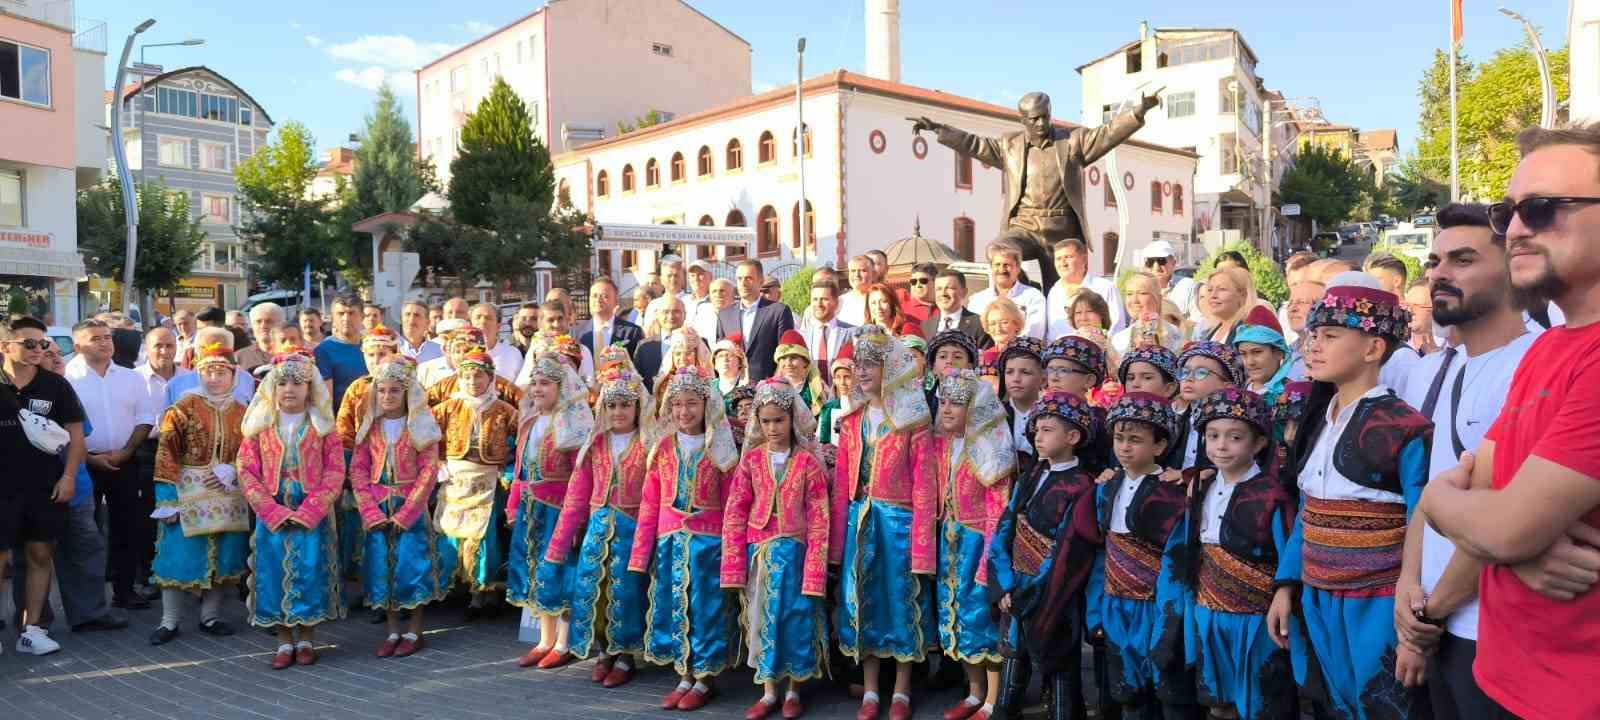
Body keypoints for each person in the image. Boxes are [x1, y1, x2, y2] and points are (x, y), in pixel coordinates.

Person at [1417, 125, 1600, 720]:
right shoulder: (1551, 351)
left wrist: (1500, 531)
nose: (1517, 228)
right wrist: (1512, 540)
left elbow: (1495, 522)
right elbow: (1488, 509)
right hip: (1501, 676)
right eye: (1510, 212)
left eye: (1543, 209)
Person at [1394, 202, 1536, 718]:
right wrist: (1408, 589)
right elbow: (1433, 498)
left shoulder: (1533, 366)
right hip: (1441, 627)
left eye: (1462, 259)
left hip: (1491, 634)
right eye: (1434, 262)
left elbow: (1501, 517)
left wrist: (1427, 616)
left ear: (1513, 266)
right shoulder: (1452, 369)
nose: (1438, 275)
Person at [1267, 279, 1431, 720]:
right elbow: (1309, 509)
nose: (1313, 346)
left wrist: (1414, 627)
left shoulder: (1405, 428)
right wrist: (1287, 584)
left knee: (1381, 705)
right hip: (1318, 597)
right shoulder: (1320, 419)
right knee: (1332, 704)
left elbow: (1425, 519)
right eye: (1312, 336)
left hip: (1378, 603)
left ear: (1373, 348)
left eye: (1331, 336)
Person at [829, 325, 936, 720]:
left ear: (891, 367)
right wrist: (838, 542)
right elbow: (843, 484)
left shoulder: (913, 421)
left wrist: (923, 545)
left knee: (902, 601)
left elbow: (926, 485)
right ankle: (871, 689)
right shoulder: (852, 420)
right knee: (863, 602)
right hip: (861, 521)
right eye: (858, 364)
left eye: (871, 364)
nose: (862, 371)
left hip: (899, 524)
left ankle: (903, 689)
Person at [629, 366, 741, 711]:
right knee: (675, 606)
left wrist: (732, 553)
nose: (683, 412)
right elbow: (650, 502)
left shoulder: (721, 451)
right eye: (676, 404)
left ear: (706, 405)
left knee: (706, 610)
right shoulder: (662, 448)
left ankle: (705, 677)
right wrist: (640, 553)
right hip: (670, 543)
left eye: (691, 403)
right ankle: (684, 673)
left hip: (709, 546)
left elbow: (733, 506)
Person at [721, 377, 832, 720]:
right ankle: (769, 689)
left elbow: (819, 517)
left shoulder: (808, 463)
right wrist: (733, 562)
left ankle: (794, 689)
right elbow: (736, 510)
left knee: (795, 619)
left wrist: (815, 568)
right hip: (759, 555)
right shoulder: (751, 460)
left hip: (796, 557)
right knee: (760, 620)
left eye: (778, 420)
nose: (772, 428)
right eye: (765, 421)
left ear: (792, 420)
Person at [987, 391, 1102, 720]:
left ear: (1073, 436)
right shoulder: (1030, 476)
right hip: (1016, 585)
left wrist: (1034, 590)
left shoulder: (1082, 486)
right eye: (1036, 429)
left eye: (1048, 429)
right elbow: (1005, 527)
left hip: (1054, 591)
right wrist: (1005, 585)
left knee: (1060, 664)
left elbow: (1069, 549)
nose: (1038, 436)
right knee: (1013, 659)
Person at [1183, 388, 1296, 720]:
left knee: (1262, 701)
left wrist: (1283, 595)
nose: (1221, 445)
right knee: (1218, 701)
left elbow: (1287, 553)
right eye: (1213, 435)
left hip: (1257, 619)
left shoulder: (1272, 495)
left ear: (1259, 443)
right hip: (1208, 612)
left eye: (1235, 437)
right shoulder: (1200, 488)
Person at [546, 363, 655, 689]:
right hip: (597, 532)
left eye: (625, 404)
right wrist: (558, 545)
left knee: (628, 592)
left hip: (633, 532)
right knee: (595, 592)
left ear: (638, 406)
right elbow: (576, 497)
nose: (618, 411)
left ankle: (626, 655)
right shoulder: (594, 445)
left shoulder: (649, 445)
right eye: (611, 405)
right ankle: (604, 650)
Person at [237, 349, 348, 669]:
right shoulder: (259, 426)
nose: (289, 389)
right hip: (273, 512)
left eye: (297, 383)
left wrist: (311, 509)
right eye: (283, 383)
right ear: (272, 387)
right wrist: (270, 510)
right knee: (273, 574)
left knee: (311, 571)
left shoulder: (323, 426)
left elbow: (334, 470)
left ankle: (307, 639)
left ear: (310, 387)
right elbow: (246, 469)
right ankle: (285, 640)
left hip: (311, 511)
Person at [1087, 392, 1192, 718]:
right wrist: (1096, 609)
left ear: (1159, 446)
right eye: (1119, 438)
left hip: (1155, 605)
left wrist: (1170, 615)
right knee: (1128, 689)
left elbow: (1177, 560)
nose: (1125, 447)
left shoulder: (1173, 492)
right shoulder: (1106, 488)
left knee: (1165, 683)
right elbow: (1100, 552)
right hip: (1116, 603)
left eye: (1135, 440)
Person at [147, 342, 252, 645]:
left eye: (221, 371)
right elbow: (166, 453)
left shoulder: (245, 411)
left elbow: (252, 452)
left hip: (228, 494)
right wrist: (166, 500)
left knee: (224, 555)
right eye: (207, 371)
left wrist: (234, 469)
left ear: (233, 374)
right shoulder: (181, 408)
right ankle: (169, 621)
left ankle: (211, 615)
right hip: (187, 490)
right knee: (177, 555)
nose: (214, 378)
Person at [348, 356, 451, 658]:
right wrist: (369, 509)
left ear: (408, 392)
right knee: (381, 568)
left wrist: (409, 511)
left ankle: (414, 630)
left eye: (395, 390)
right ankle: (392, 630)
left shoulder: (420, 426)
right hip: (378, 507)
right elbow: (358, 469)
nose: (387, 396)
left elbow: (428, 469)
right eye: (381, 390)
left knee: (412, 567)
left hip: (410, 507)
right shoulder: (370, 427)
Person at [926, 369, 1013, 720]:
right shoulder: (942, 444)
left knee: (982, 617)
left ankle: (994, 699)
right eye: (943, 401)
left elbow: (998, 510)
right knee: (957, 615)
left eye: (957, 403)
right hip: (950, 541)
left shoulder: (992, 450)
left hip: (978, 543)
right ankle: (975, 691)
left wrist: (989, 559)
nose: (946, 409)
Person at [1, 317, 87, 656]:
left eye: (44, 343)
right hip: (2, 488)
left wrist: (68, 477)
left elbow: (76, 438)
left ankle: (32, 629)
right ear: (6, 346)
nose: (40, 349)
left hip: (45, 487)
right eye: (29, 343)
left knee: (40, 554)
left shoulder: (57, 386)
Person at [506, 350, 595, 669]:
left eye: (545, 383)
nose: (538, 389)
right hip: (532, 511)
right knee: (537, 573)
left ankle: (563, 641)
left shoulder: (571, 425)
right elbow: (520, 470)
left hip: (560, 511)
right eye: (535, 383)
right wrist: (514, 503)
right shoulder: (529, 422)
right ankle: (544, 639)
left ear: (561, 387)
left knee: (562, 571)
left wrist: (577, 520)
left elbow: (581, 476)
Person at [65, 319, 158, 610]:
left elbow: (145, 418)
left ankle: (124, 589)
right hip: (82, 463)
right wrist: (90, 457)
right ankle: (89, 601)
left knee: (126, 526)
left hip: (125, 461)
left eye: (108, 337)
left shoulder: (131, 377)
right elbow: (62, 428)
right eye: (96, 338)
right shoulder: (67, 378)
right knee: (84, 532)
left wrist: (126, 451)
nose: (105, 343)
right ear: (79, 345)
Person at [431, 349, 520, 616]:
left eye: (479, 376)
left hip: (487, 481)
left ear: (490, 378)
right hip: (455, 479)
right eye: (467, 376)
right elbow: (427, 438)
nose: (473, 382)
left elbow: (520, 443)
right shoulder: (446, 408)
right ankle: (454, 586)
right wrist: (438, 463)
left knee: (484, 537)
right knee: (451, 534)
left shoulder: (505, 411)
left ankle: (482, 593)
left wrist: (506, 469)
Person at [719, 260, 797, 381]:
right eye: (739, 279)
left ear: (761, 281)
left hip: (768, 386)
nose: (743, 283)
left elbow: (786, 353)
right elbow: (720, 353)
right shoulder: (724, 314)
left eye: (748, 278)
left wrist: (774, 383)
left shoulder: (778, 311)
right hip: (733, 387)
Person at [968, 236, 1047, 340]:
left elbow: (1035, 333)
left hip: (1020, 354)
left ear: (1018, 268)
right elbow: (972, 333)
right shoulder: (977, 300)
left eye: (1007, 265)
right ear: (991, 268)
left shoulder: (1033, 296)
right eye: (997, 264)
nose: (1002, 269)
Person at [1047, 238, 1126, 341]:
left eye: (1068, 257)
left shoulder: (1104, 287)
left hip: (1095, 351)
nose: (1063, 263)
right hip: (1057, 353)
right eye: (1058, 259)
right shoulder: (1053, 292)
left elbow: (1117, 327)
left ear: (1084, 259)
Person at [164, 326, 257, 408]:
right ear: (197, 352)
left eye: (221, 349)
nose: (215, 356)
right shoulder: (176, 384)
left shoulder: (246, 379)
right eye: (206, 348)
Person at [314, 295, 369, 412]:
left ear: (362, 317)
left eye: (351, 313)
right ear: (333, 318)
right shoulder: (324, 350)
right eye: (341, 313)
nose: (346, 318)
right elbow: (325, 399)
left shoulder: (373, 345)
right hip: (343, 422)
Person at [997, 337, 1046, 468]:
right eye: (1009, 372)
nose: (1016, 379)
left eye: (1025, 372)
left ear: (1043, 379)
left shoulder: (1050, 414)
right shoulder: (995, 414)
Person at [1231, 306, 1294, 406]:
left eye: (1257, 352)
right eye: (1243, 354)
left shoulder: (1293, 395)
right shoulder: (1236, 393)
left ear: (1279, 353)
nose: (1250, 362)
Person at [1113, 272, 1185, 355]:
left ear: (1158, 298)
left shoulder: (1173, 333)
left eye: (1142, 293)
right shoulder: (1119, 339)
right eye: (1129, 294)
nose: (1134, 300)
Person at [801, 277, 855, 386]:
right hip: (811, 400)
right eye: (815, 299)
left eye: (824, 299)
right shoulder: (802, 336)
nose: (819, 304)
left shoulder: (852, 333)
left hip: (843, 398)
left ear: (836, 302)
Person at [923, 270, 992, 349]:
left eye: (949, 288)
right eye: (938, 289)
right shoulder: (926, 326)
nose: (943, 294)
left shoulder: (979, 324)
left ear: (964, 292)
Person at [584, 278, 644, 361]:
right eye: (594, 296)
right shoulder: (578, 332)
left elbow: (636, 362)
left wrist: (613, 358)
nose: (598, 300)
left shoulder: (632, 332)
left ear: (616, 301)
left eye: (605, 296)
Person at [924, 329, 981, 416]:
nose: (949, 361)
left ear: (970, 366)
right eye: (943, 356)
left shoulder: (981, 398)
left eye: (957, 357)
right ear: (933, 367)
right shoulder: (923, 400)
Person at [773, 330, 828, 419]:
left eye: (793, 358)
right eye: (783, 358)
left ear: (805, 362)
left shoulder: (818, 388)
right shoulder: (772, 389)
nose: (788, 363)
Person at [1199, 266, 1256, 345]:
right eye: (1210, 290)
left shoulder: (1250, 332)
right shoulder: (1208, 332)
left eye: (1222, 289)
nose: (1213, 295)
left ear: (1242, 295)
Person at [1140, 241, 1199, 318]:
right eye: (1150, 262)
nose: (1156, 267)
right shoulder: (1140, 290)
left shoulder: (1189, 286)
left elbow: (1197, 323)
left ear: (1173, 263)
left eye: (1161, 261)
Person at [469, 303, 523, 381]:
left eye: (488, 318)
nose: (483, 321)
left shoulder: (512, 353)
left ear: (498, 327)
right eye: (478, 317)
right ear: (470, 324)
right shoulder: (461, 353)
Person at [643, 255, 693, 333]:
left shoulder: (692, 302)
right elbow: (649, 333)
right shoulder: (653, 305)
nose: (673, 279)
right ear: (661, 279)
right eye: (669, 276)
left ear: (683, 277)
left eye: (676, 275)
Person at [817, 342, 855, 446]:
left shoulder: (865, 409)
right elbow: (821, 441)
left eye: (847, 377)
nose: (842, 382)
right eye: (838, 377)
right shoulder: (828, 409)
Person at [236, 302, 284, 372]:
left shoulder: (295, 355)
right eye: (258, 322)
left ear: (282, 324)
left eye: (269, 321)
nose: (263, 326)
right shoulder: (239, 357)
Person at [1401, 281, 1443, 356]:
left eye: (1417, 306)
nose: (1409, 310)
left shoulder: (1449, 348)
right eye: (1407, 305)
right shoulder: (1396, 346)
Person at [685, 260, 721, 343]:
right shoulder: (684, 301)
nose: (696, 278)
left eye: (701, 274)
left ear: (711, 277)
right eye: (692, 275)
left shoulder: (717, 302)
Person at [838, 255, 874, 326]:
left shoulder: (880, 299)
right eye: (853, 271)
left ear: (872, 274)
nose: (857, 275)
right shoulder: (839, 301)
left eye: (863, 270)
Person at [900, 262, 937, 326]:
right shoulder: (901, 310)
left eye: (923, 281)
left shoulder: (945, 307)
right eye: (913, 281)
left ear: (935, 282)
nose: (918, 285)